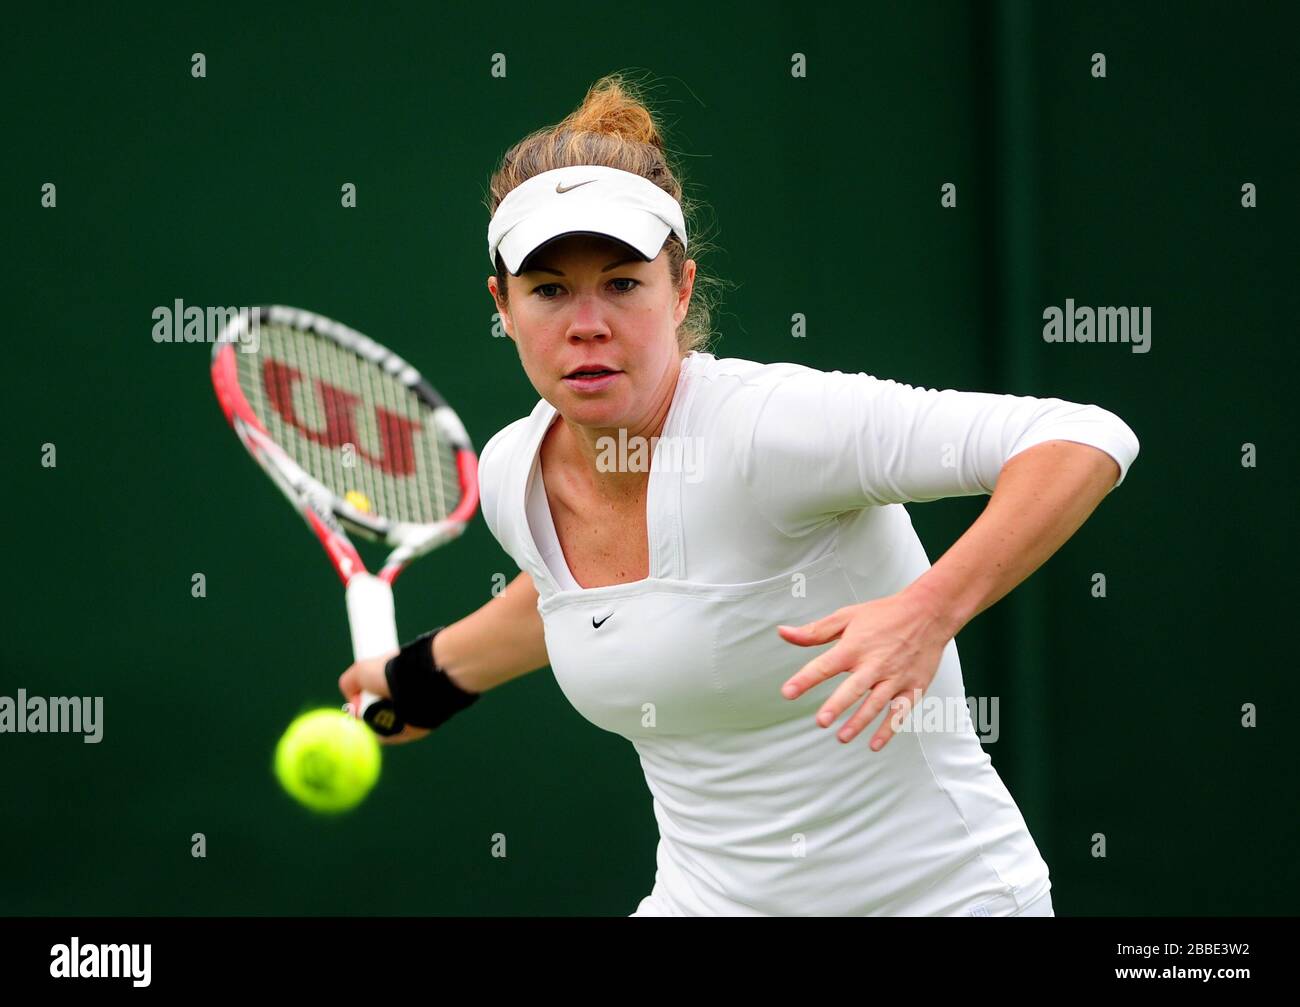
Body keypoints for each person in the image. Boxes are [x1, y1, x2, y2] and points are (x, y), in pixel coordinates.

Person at [339, 74, 1139, 917]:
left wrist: (928, 610)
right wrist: (425, 679)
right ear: (501, 306)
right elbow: (578, 597)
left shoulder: (770, 430)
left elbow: (1082, 438)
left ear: (680, 291)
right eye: (547, 289)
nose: (587, 324)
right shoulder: (514, 473)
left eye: (622, 283)